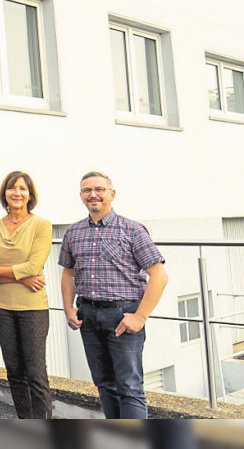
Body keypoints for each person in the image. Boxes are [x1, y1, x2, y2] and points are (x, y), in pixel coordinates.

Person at [60, 172, 168, 419]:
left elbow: (159, 276)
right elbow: (68, 273)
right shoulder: (73, 232)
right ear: (81, 196)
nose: (93, 194)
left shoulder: (132, 230)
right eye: (87, 190)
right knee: (104, 385)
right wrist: (68, 308)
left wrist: (140, 317)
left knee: (129, 388)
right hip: (88, 315)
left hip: (123, 317)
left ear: (112, 194)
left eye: (99, 189)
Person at [0, 170, 53, 419]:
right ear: (4, 193)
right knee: (14, 372)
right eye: (12, 188)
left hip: (32, 307)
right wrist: (21, 276)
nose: (17, 193)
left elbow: (33, 266)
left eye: (22, 188)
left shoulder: (41, 225)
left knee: (36, 374)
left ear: (30, 195)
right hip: (1, 306)